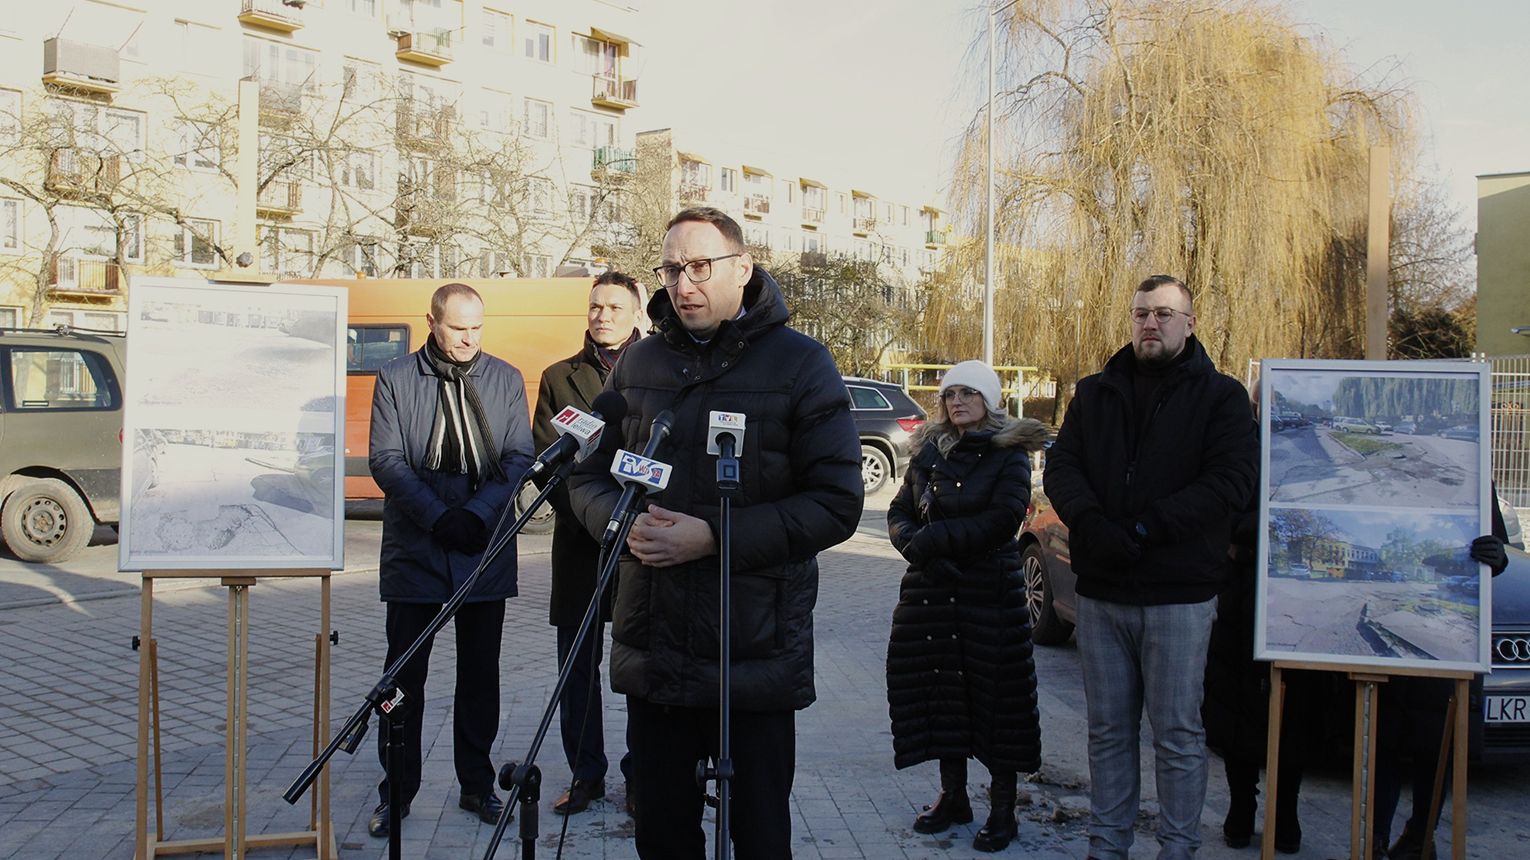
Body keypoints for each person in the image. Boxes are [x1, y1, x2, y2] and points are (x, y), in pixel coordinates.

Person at [567, 206, 864, 859]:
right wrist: (623, 522)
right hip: (656, 650)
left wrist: (714, 537)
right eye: (672, 268)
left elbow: (837, 502)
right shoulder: (637, 365)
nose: (685, 283)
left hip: (751, 656)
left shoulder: (801, 364)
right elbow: (586, 474)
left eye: (701, 266)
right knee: (662, 837)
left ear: (743, 268)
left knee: (759, 837)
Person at [1043, 274, 1258, 859]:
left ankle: (1178, 847)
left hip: (1179, 597)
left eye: (1164, 313)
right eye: (1141, 313)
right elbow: (1062, 467)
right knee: (1109, 731)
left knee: (1178, 736)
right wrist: (1092, 525)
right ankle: (1107, 844)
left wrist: (1145, 528)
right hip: (1104, 593)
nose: (1150, 324)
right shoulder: (1095, 392)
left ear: (1190, 323)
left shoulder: (1222, 397)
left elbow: (1230, 481)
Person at [366, 282, 534, 837]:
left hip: (483, 546)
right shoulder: (395, 378)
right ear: (432, 323)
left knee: (480, 676)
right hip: (418, 546)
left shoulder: (505, 379)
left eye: (477, 327)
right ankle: (397, 791)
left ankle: (477, 786)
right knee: (403, 680)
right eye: (457, 327)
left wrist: (478, 514)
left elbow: (518, 458)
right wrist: (438, 517)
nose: (468, 339)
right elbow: (387, 461)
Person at [885, 360, 1047, 853]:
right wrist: (915, 545)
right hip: (931, 593)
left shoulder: (1010, 453)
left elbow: (1002, 520)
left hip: (987, 596)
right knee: (940, 697)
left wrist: (934, 540)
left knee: (997, 702)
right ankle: (952, 796)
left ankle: (1003, 811)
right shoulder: (930, 450)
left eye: (969, 394)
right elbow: (899, 511)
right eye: (951, 393)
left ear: (989, 400)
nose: (957, 402)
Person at [531, 270, 644, 815]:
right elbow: (550, 465)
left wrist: (634, 525)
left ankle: (643, 775)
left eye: (616, 308)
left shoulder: (663, 371)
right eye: (596, 306)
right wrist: (591, 517)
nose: (603, 316)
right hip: (579, 544)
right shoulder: (559, 378)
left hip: (644, 547)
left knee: (644, 667)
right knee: (576, 670)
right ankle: (586, 774)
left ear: (637, 314)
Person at [1201, 386, 1320, 853]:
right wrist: (1271, 527)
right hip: (1241, 599)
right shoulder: (1236, 445)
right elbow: (1223, 512)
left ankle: (1285, 812)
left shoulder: (1310, 449)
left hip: (1300, 600)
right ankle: (1240, 808)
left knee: (1297, 712)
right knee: (1237, 713)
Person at [1372, 497, 1510, 860]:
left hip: (1445, 640)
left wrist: (1495, 555)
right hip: (1387, 644)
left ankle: (1420, 837)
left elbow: (1496, 552)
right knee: (1379, 739)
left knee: (1435, 744)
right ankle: (1373, 840)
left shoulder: (1472, 462)